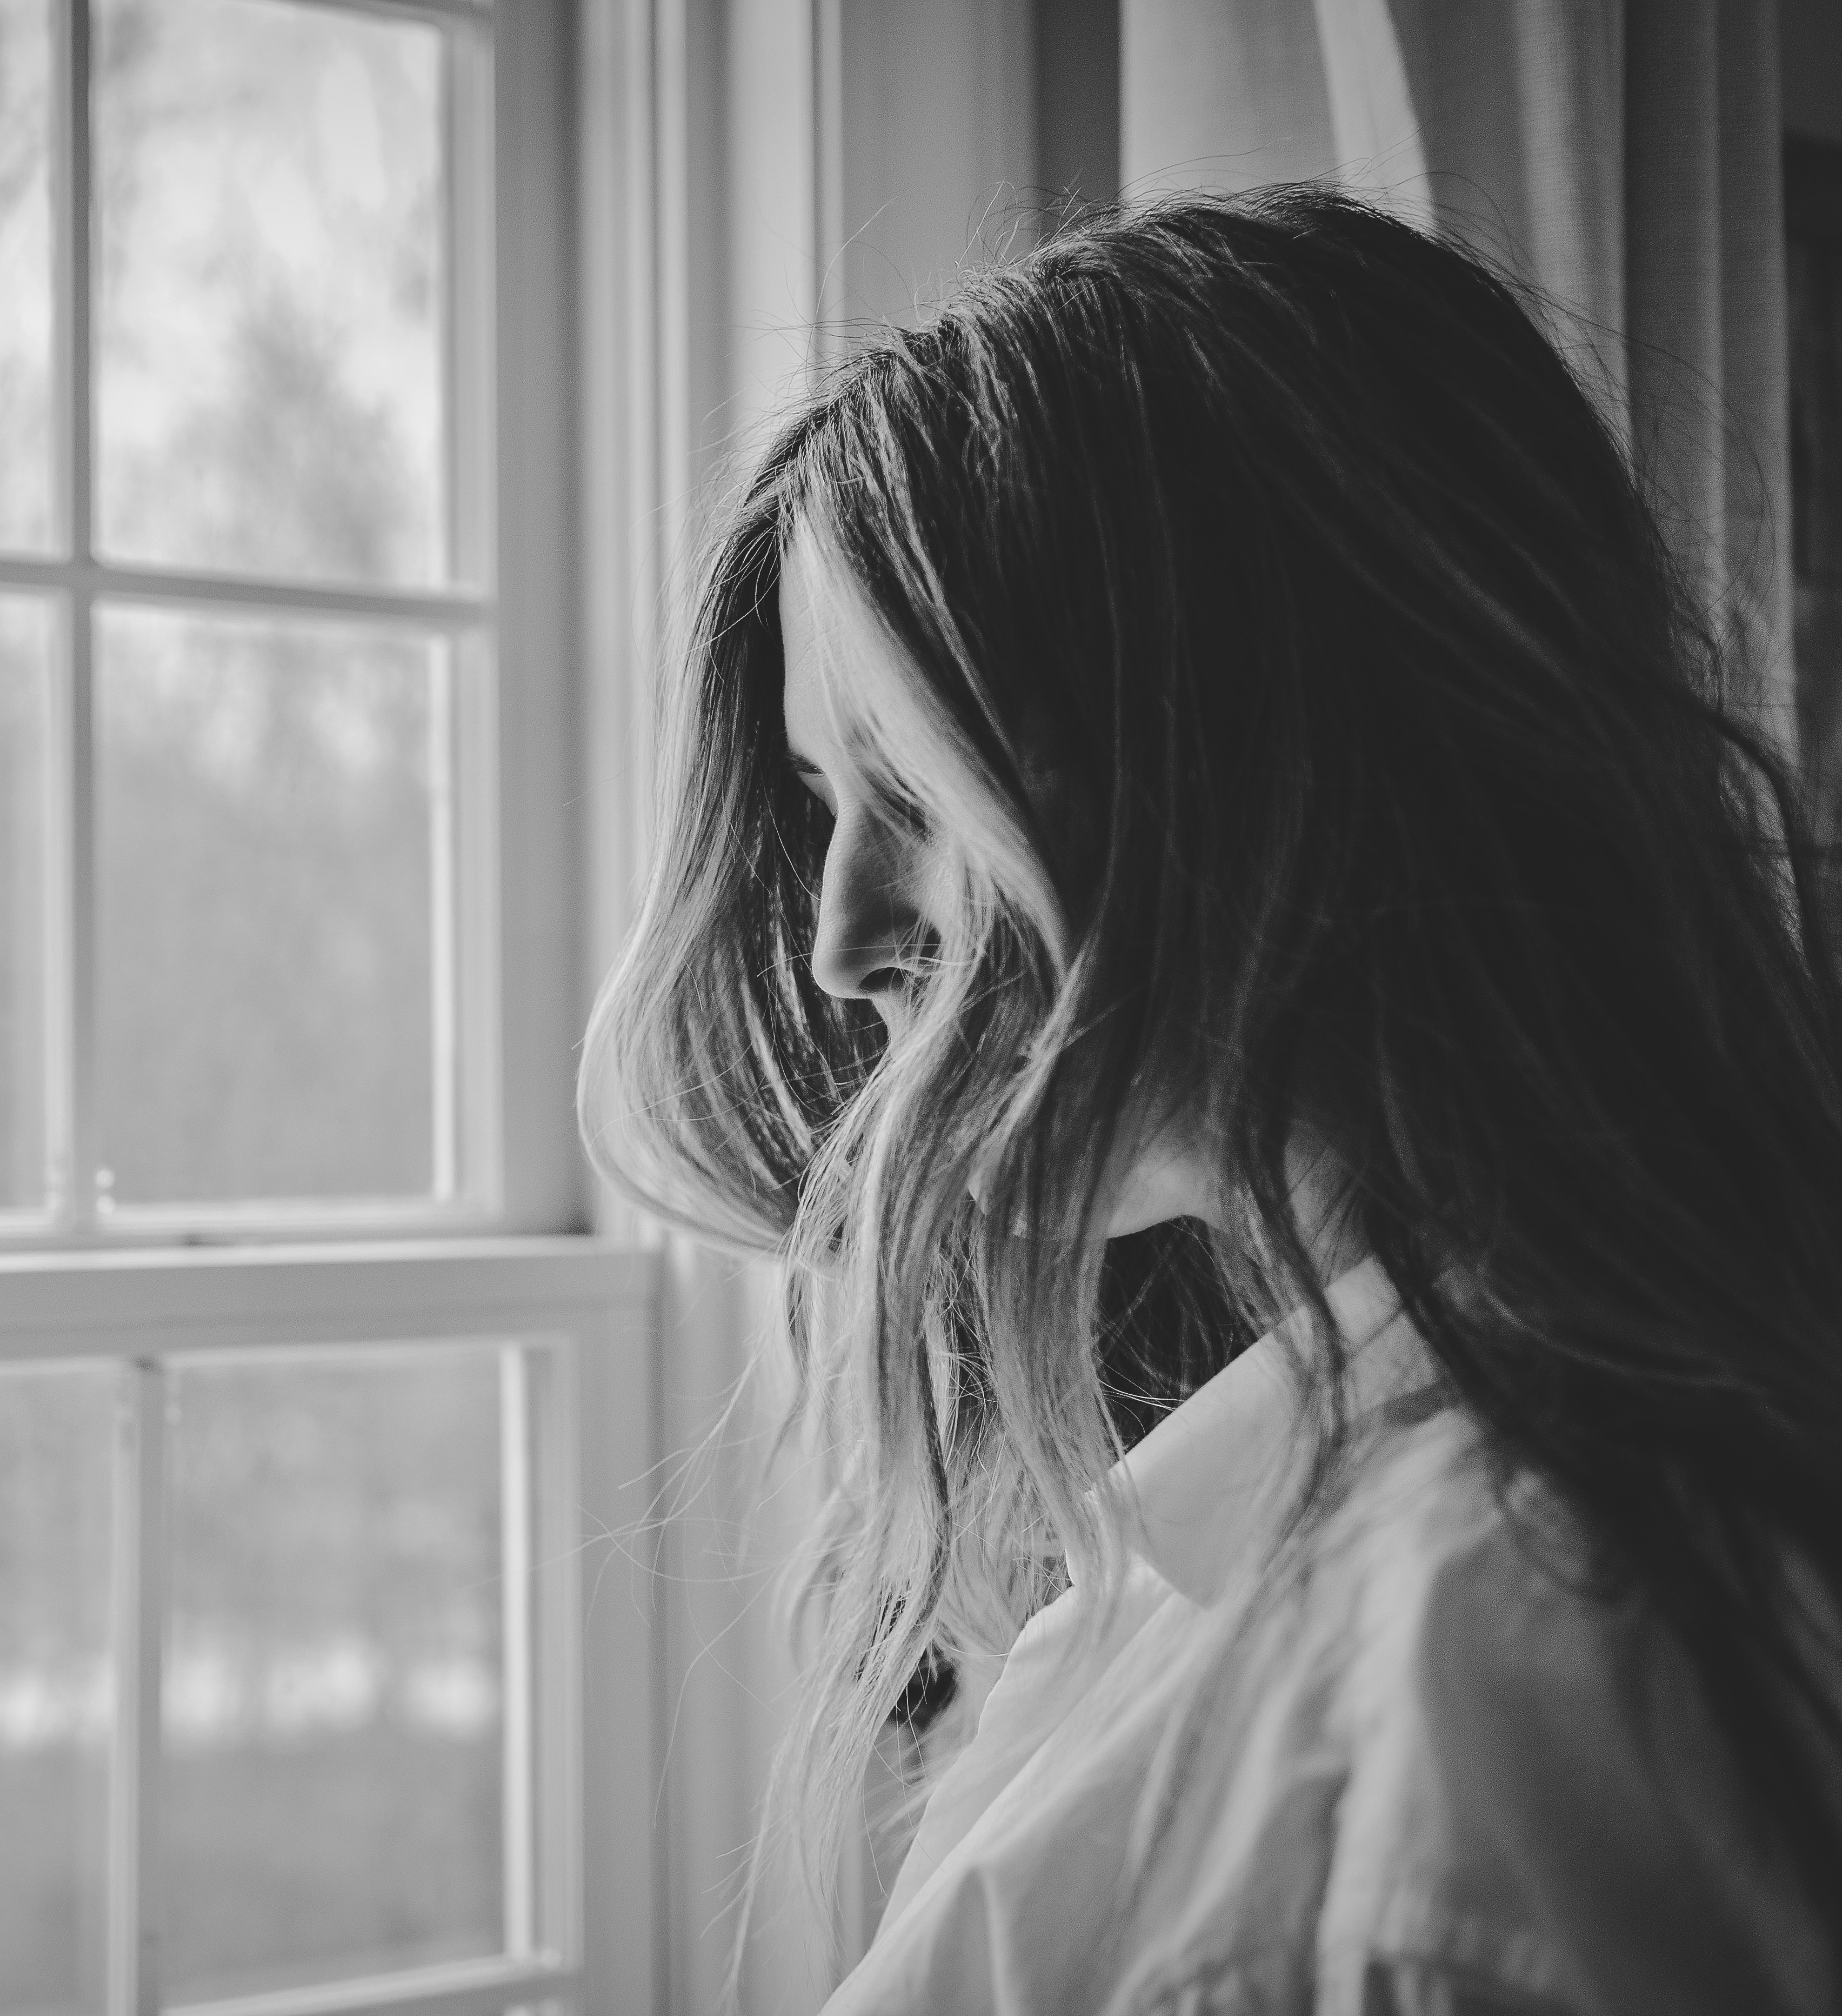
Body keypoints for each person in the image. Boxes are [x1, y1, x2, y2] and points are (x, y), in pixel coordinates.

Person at [584, 185, 1842, 2011]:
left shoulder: (1477, 1701)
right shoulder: (1256, 1558)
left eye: (913, 797)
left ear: (1264, 779)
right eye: (818, 802)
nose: (838, 942)